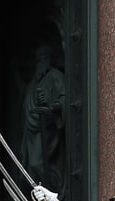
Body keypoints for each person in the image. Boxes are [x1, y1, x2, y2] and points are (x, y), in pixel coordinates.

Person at [19, 44, 65, 185]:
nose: (39, 61)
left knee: (36, 163)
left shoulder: (55, 76)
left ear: (49, 59)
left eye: (42, 58)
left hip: (46, 126)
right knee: (29, 166)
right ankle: (41, 197)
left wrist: (52, 108)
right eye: (37, 59)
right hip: (31, 127)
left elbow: (64, 97)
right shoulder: (35, 80)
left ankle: (53, 190)